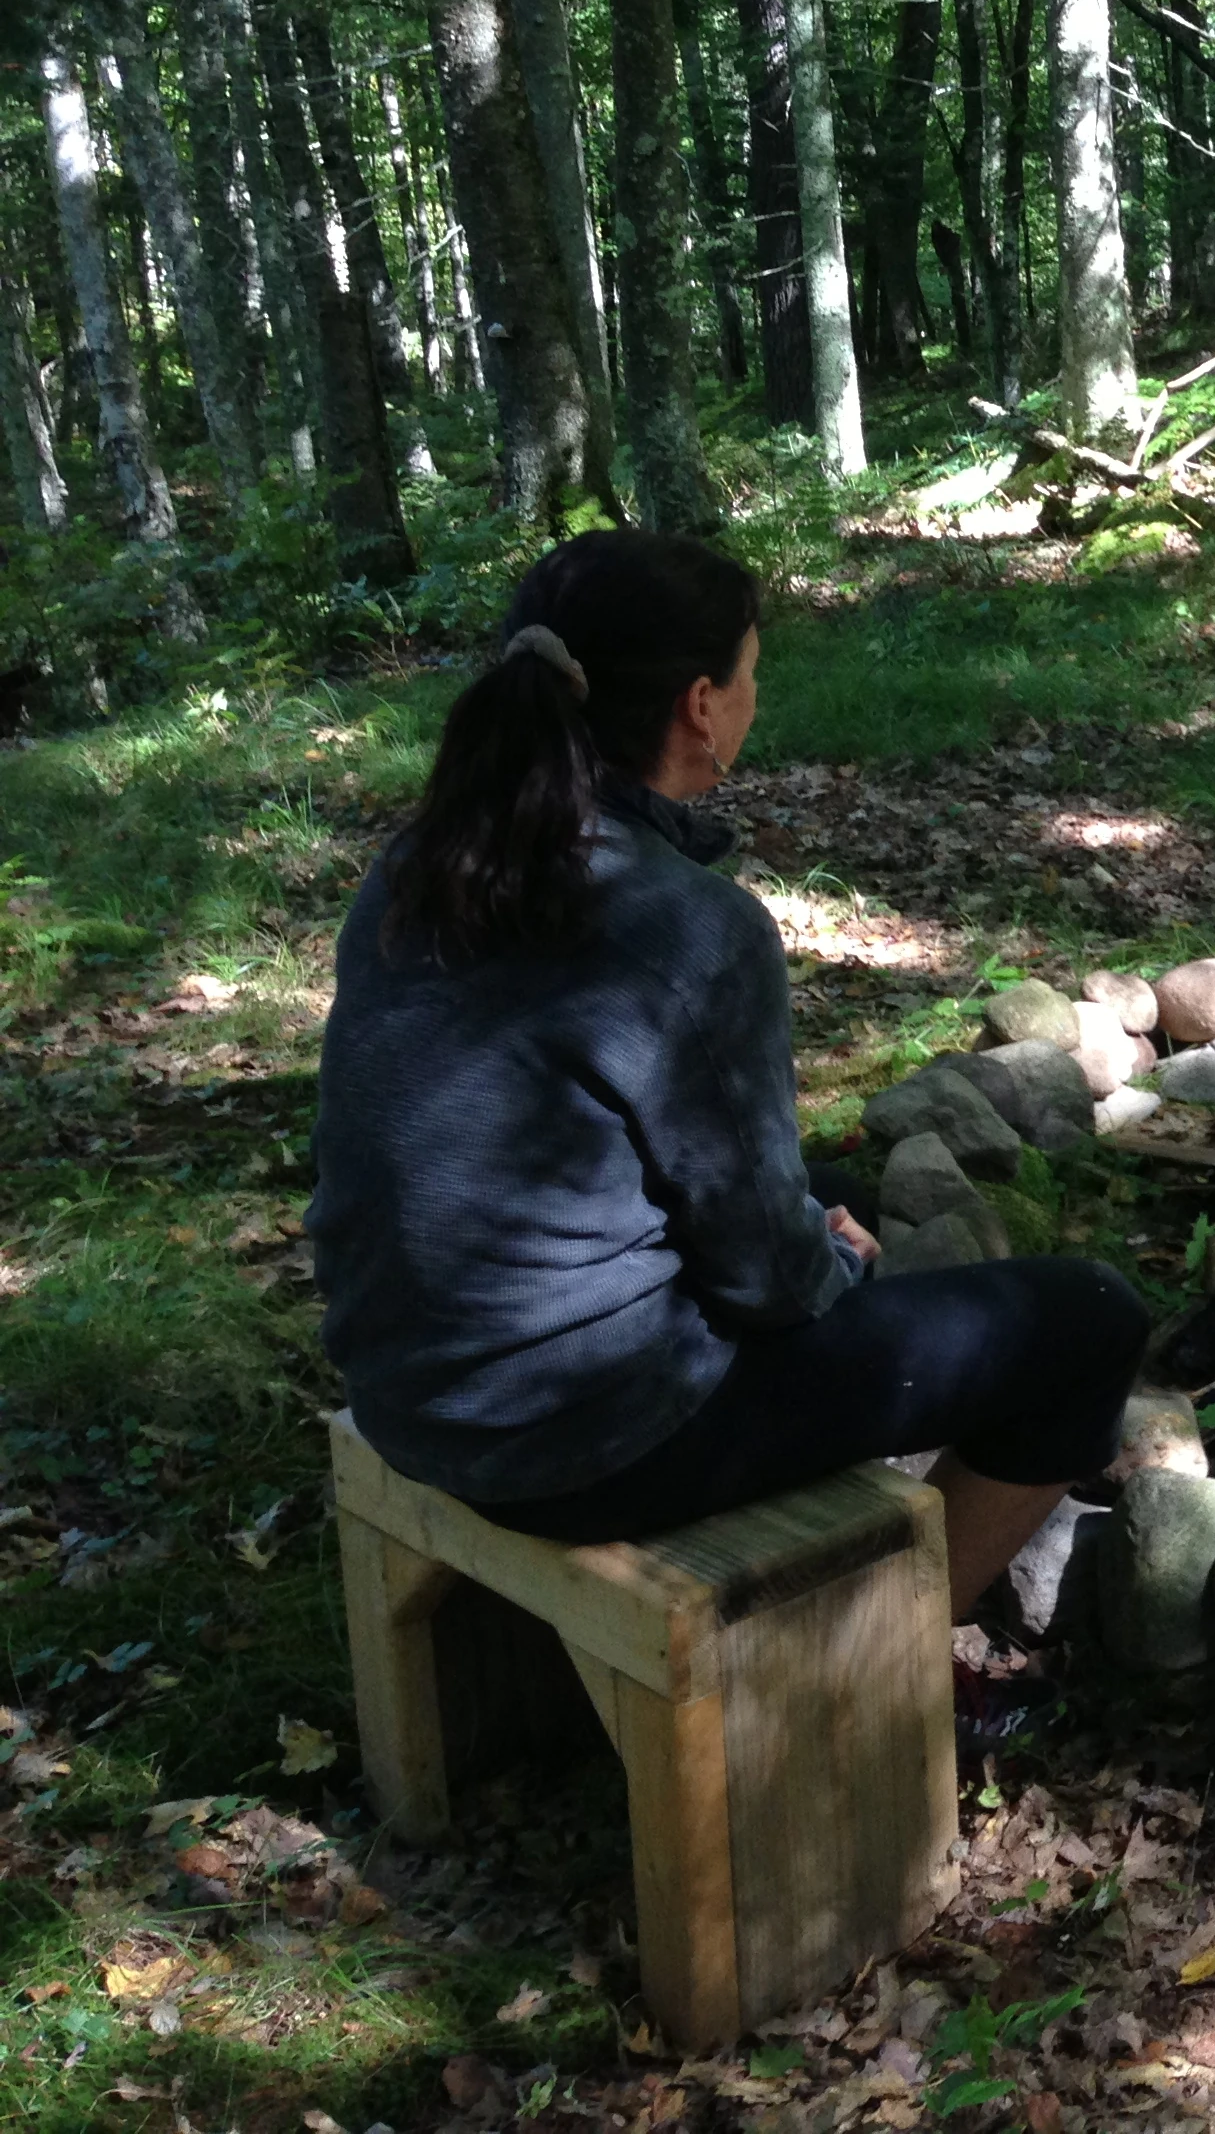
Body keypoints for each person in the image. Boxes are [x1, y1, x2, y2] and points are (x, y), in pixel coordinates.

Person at [310, 531, 1147, 1617]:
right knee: (1090, 1320)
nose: (756, 694)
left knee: (828, 1187)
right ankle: (902, 1648)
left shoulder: (420, 864)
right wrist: (832, 1268)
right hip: (588, 1441)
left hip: (410, 1392)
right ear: (700, 705)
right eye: (752, 671)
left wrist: (810, 1225)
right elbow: (769, 1279)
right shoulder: (688, 927)